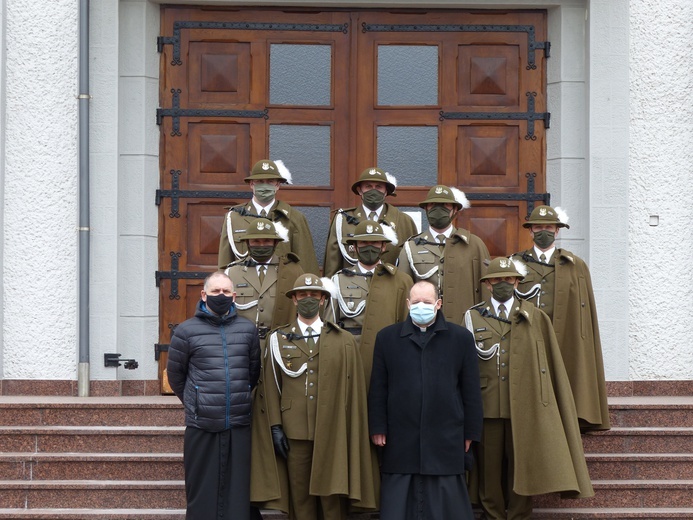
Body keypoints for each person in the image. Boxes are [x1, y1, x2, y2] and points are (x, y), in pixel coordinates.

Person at [464, 257, 594, 520]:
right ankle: (493, 515)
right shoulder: (472, 316)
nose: (503, 284)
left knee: (521, 466)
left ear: (517, 282)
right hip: (487, 405)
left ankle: (520, 515)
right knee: (489, 471)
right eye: (497, 280)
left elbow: (549, 361)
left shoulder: (535, 317)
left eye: (509, 279)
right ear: (487, 284)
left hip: (524, 405)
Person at [256, 274, 376, 519]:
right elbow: (270, 385)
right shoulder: (278, 339)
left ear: (323, 300)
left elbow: (353, 390)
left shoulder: (342, 340)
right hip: (295, 430)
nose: (308, 299)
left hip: (332, 428)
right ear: (294, 300)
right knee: (300, 497)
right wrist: (276, 426)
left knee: (332, 495)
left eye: (314, 295)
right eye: (302, 295)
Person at [368, 280, 484, 520]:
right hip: (401, 435)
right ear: (408, 304)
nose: (422, 306)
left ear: (438, 304)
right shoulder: (387, 338)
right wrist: (378, 427)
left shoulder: (460, 338)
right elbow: (378, 387)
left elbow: (471, 390)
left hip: (446, 434)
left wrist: (471, 432)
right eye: (417, 302)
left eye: (427, 302)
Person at [222, 218, 303, 516]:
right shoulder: (232, 273)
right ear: (246, 244)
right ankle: (246, 496)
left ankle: (279, 495)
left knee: (280, 423)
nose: (260, 245)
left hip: (280, 354)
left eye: (266, 241)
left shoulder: (292, 271)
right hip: (241, 355)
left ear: (275, 242)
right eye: (255, 241)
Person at [167, 271, 261, 520]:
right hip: (202, 424)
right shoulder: (186, 331)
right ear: (204, 294)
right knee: (202, 489)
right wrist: (196, 401)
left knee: (237, 490)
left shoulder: (247, 330)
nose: (221, 296)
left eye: (226, 292)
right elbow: (176, 376)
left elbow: (253, 372)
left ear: (234, 295)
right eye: (216, 291)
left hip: (238, 422)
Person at [511, 205, 610, 431]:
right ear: (530, 231)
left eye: (548, 227)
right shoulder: (516, 263)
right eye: (538, 227)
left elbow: (585, 313)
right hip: (530, 334)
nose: (543, 231)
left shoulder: (576, 265)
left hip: (564, 335)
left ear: (557, 231)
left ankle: (572, 417)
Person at [328, 219, 412, 385]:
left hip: (388, 354)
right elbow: (330, 326)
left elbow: (407, 324)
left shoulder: (401, 280)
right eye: (364, 242)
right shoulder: (339, 280)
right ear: (355, 247)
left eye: (374, 243)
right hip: (351, 354)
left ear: (383, 246)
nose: (369, 247)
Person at [398, 184, 490, 324]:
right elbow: (403, 290)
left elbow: (487, 289)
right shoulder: (411, 247)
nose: (438, 209)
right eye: (433, 204)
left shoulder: (474, 245)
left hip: (463, 325)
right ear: (426, 209)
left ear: (454, 210)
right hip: (424, 326)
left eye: (445, 205)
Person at [218, 159, 319, 275]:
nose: (265, 186)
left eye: (270, 182)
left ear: (277, 185)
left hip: (282, 286)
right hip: (243, 287)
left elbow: (306, 262)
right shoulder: (234, 217)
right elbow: (225, 262)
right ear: (251, 184)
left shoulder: (294, 218)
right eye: (260, 181)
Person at [323, 167, 417, 277]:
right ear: (359, 190)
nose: (373, 191)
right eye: (368, 186)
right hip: (352, 288)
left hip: (391, 288)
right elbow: (332, 262)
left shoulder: (404, 221)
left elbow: (412, 262)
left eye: (378, 187)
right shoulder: (343, 220)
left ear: (386, 191)